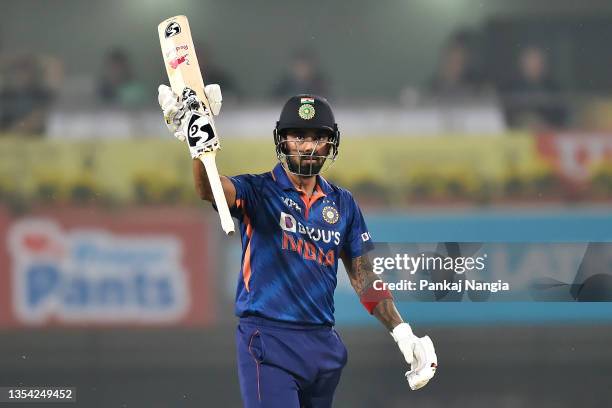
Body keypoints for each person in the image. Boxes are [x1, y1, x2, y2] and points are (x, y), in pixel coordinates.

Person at [157, 84, 437, 407]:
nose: (307, 146)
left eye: (317, 137)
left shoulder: (343, 204)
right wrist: (198, 143)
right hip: (268, 340)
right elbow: (210, 190)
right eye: (298, 136)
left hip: (323, 347)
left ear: (331, 142)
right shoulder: (259, 191)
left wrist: (402, 332)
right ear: (282, 140)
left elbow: (364, 278)